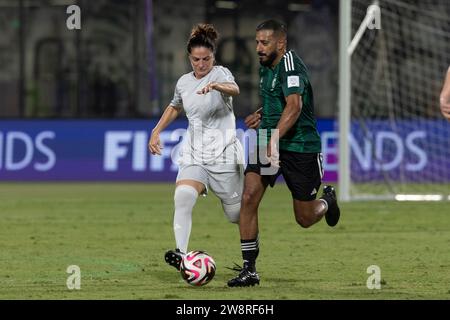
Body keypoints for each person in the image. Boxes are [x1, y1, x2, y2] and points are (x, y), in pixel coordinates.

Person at [227, 20, 340, 287]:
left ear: (281, 43)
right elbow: (277, 103)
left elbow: (295, 106)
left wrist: (275, 139)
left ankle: (327, 202)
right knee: (249, 196)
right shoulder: (266, 66)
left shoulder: (290, 64)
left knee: (305, 218)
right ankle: (249, 270)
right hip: (269, 138)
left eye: (264, 42)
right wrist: (262, 115)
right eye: (257, 42)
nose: (258, 48)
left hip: (300, 146)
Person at [148, 24, 244, 271]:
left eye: (206, 59)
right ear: (189, 58)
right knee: (183, 196)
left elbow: (235, 89)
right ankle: (181, 256)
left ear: (214, 56)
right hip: (195, 154)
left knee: (236, 216)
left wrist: (216, 86)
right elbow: (175, 105)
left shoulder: (221, 74)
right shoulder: (183, 82)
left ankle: (249, 262)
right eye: (196, 60)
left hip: (224, 155)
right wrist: (157, 130)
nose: (201, 64)